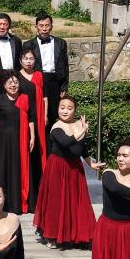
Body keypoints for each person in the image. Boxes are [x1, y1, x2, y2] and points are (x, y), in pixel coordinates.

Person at [35, 96, 97, 249]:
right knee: (56, 201)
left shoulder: (79, 124)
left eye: (69, 108)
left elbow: (82, 147)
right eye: (62, 107)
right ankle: (52, 236)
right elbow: (66, 142)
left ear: (75, 110)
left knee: (77, 200)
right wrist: (82, 130)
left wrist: (90, 163)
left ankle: (80, 235)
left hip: (75, 167)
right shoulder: (56, 127)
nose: (65, 111)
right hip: (58, 167)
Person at [0, 72, 34, 215]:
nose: (13, 85)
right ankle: (3, 204)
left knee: (18, 169)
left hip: (20, 140)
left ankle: (19, 203)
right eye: (10, 83)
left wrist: (32, 137)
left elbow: (31, 120)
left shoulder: (25, 99)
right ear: (4, 85)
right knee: (3, 169)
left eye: (16, 83)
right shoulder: (0, 100)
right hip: (3, 141)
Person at [16, 47, 47, 209]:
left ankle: (39, 191)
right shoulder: (16, 77)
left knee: (38, 150)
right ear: (20, 60)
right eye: (25, 59)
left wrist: (45, 115)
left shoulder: (39, 75)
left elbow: (45, 97)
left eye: (31, 59)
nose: (29, 62)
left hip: (38, 116)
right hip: (23, 117)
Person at [26, 13, 69, 131]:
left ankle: (53, 138)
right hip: (37, 81)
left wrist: (64, 87)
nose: (44, 29)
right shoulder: (28, 45)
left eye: (47, 25)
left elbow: (65, 66)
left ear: (51, 27)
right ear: (36, 26)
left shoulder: (61, 43)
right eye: (41, 25)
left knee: (54, 114)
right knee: (37, 113)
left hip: (54, 82)